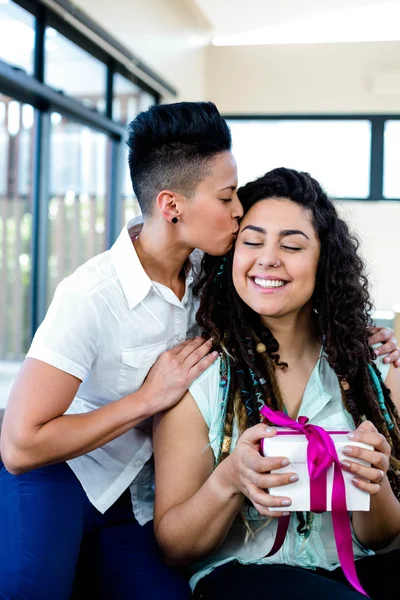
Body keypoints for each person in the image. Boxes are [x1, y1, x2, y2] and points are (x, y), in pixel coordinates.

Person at [0, 101, 243, 600]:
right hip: (62, 474)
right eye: (227, 196)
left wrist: (362, 338)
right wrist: (147, 399)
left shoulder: (215, 276)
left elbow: (289, 299)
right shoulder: (90, 295)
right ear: (171, 205)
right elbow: (20, 447)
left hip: (137, 496)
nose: (239, 210)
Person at [153, 167, 400, 600]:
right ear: (231, 255)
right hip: (246, 575)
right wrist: (229, 480)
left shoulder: (371, 370)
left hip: (355, 570)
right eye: (251, 242)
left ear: (324, 260)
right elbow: (175, 548)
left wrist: (373, 481)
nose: (268, 258)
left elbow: (381, 537)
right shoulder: (201, 373)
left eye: (291, 245)